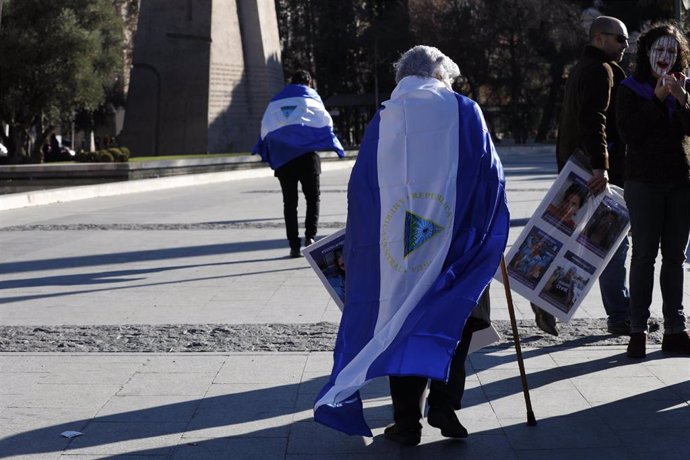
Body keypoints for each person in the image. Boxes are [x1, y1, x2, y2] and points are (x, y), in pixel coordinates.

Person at [312, 46, 509, 446]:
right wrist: (490, 228)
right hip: (457, 239)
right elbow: (491, 174)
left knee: (399, 321)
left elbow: (364, 189)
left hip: (398, 245)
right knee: (454, 316)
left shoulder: (385, 118)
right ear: (441, 75)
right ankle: (444, 403)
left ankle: (406, 423)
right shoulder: (464, 109)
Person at [532, 16, 631, 336]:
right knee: (611, 239)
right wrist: (601, 166)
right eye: (620, 40)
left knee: (584, 239)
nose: (625, 46)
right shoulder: (600, 71)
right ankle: (619, 314)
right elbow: (594, 120)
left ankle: (548, 301)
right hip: (593, 170)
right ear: (599, 38)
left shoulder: (580, 69)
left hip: (578, 166)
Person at [616, 22, 690, 358]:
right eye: (659, 50)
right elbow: (631, 133)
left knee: (674, 257)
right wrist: (658, 99)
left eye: (672, 51)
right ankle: (637, 329)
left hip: (680, 182)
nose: (665, 56)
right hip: (643, 182)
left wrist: (682, 100)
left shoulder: (684, 87)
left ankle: (675, 328)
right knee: (644, 255)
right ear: (647, 52)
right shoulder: (630, 87)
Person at [252, 70, 344, 258]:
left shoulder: (277, 101)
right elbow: (324, 119)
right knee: (313, 198)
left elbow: (266, 126)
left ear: (290, 82)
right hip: (307, 158)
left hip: (284, 160)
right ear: (308, 82)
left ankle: (293, 245)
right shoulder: (310, 96)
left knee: (289, 203)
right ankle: (310, 237)